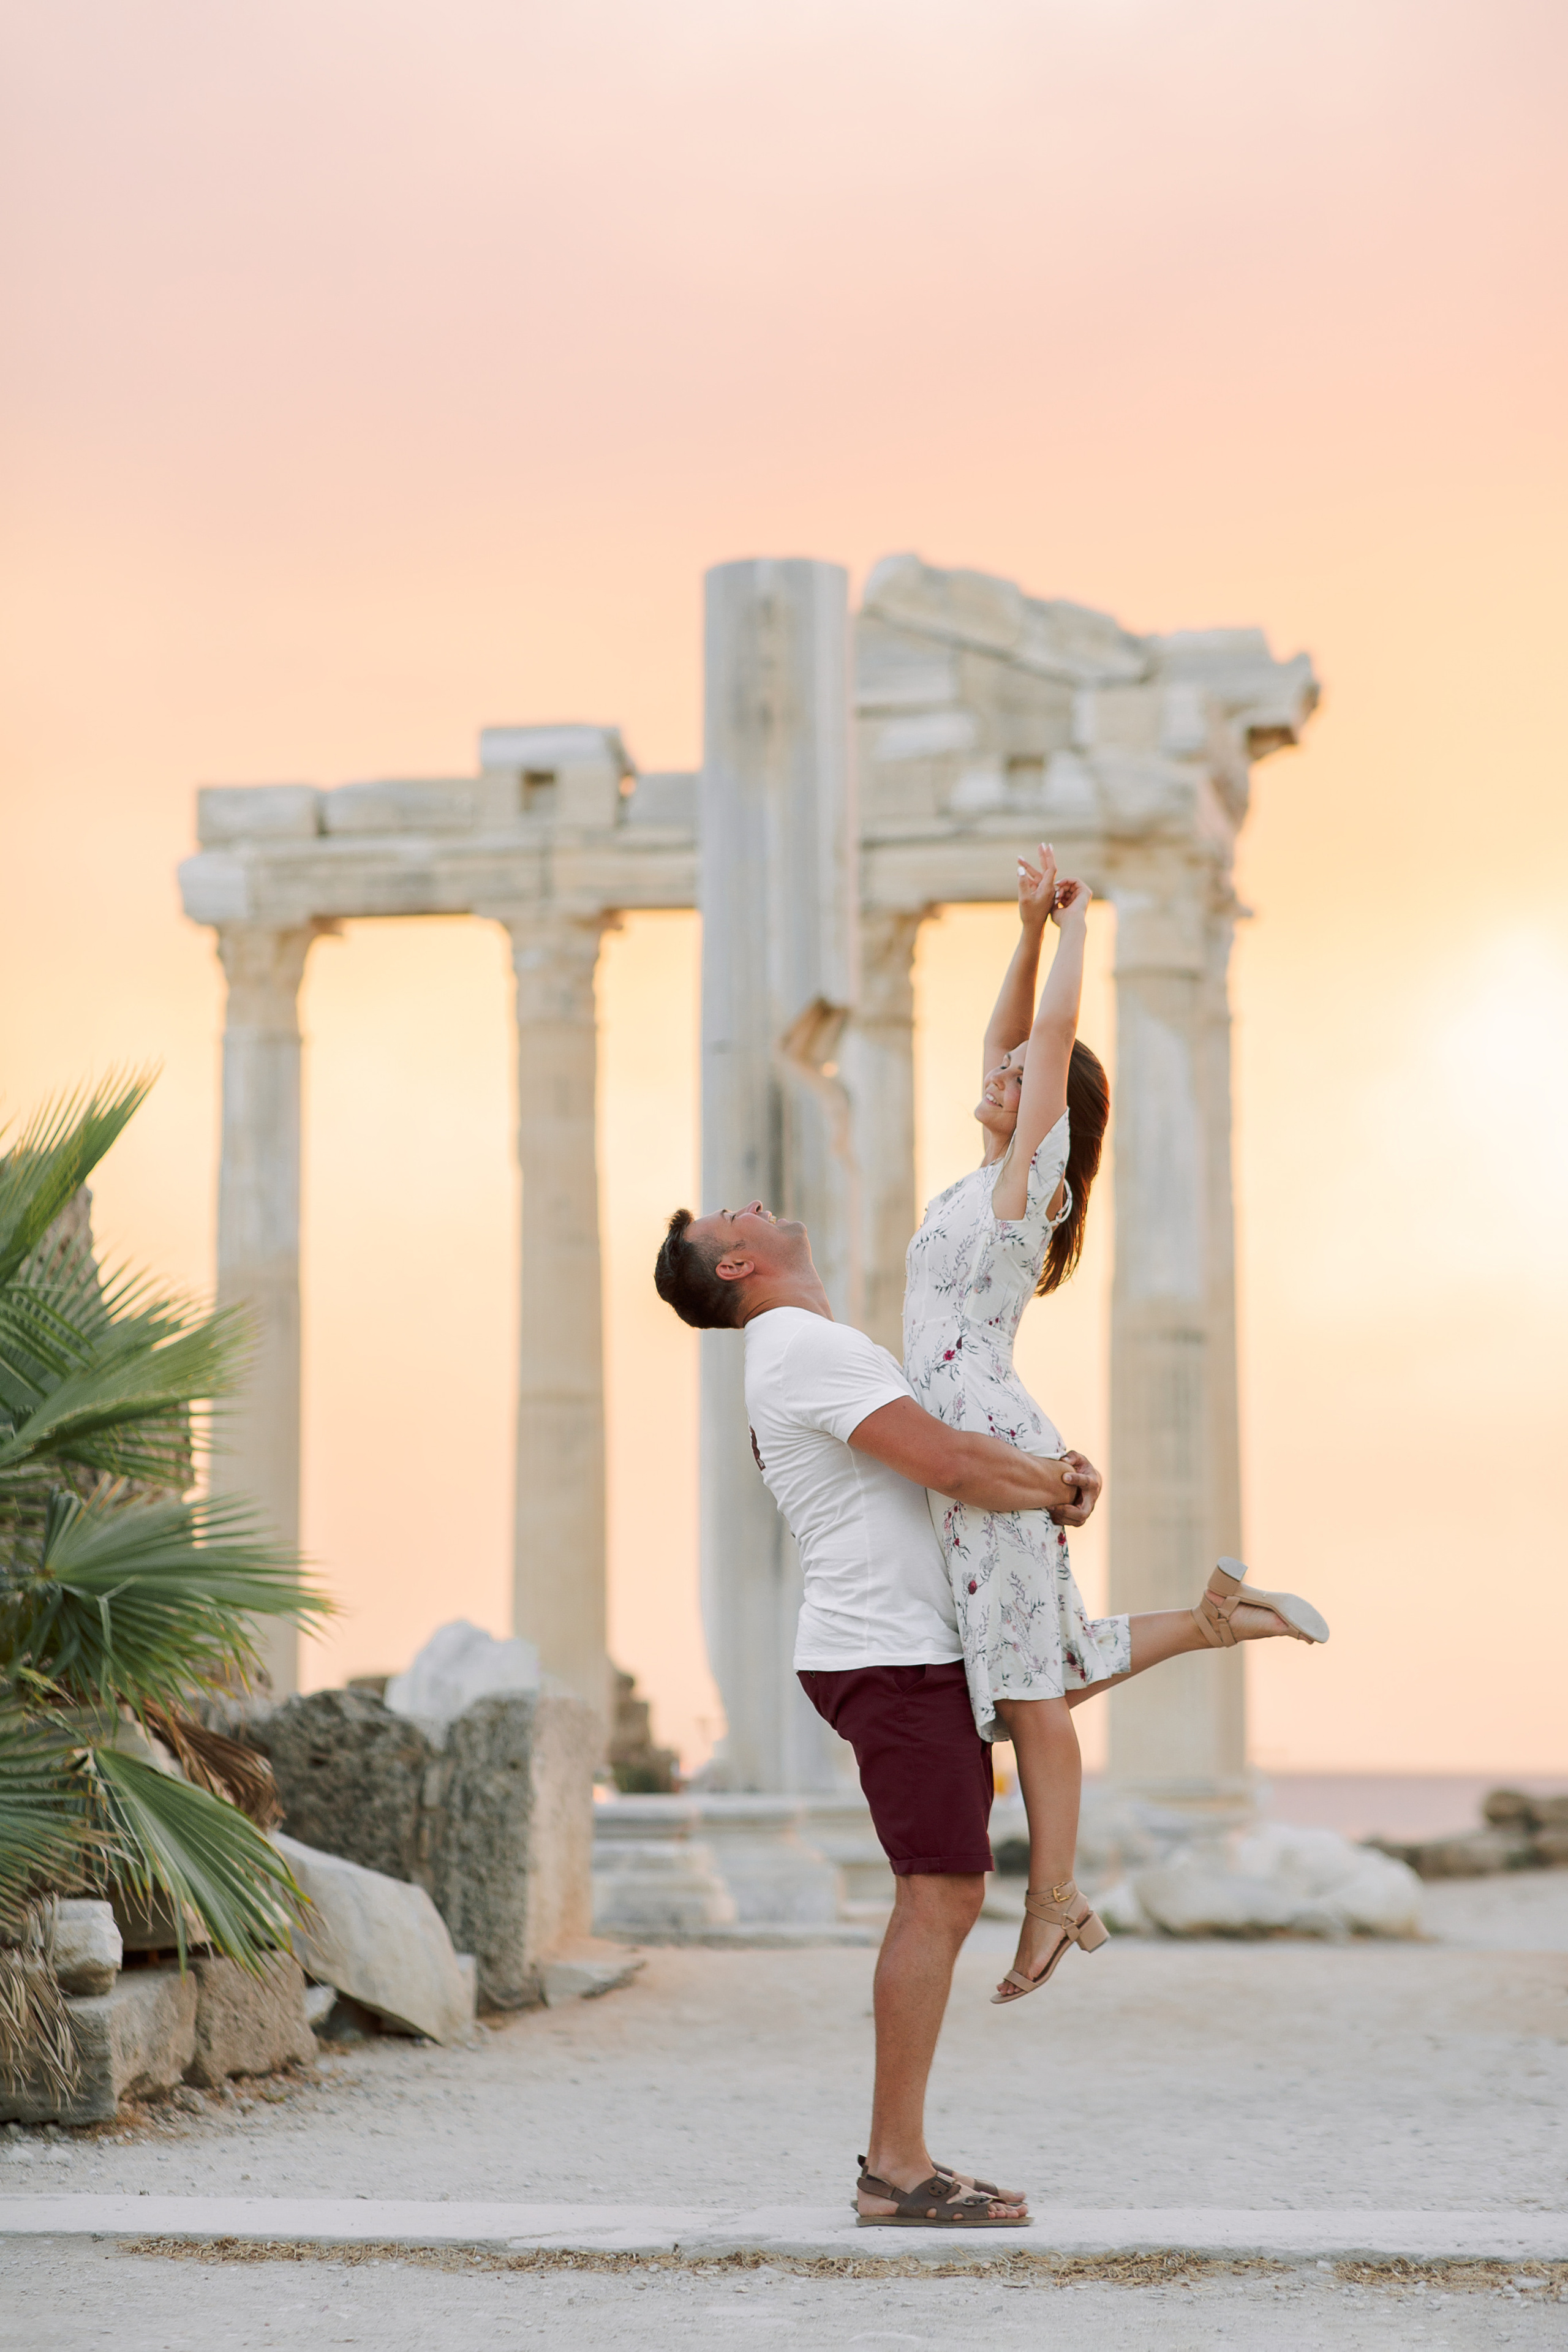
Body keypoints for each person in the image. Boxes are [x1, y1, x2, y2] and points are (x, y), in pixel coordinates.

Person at [903, 844, 1330, 2007]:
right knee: (1024, 1668)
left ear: (1054, 1116)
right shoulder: (976, 1180)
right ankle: (1213, 1619)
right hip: (972, 1428)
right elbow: (1007, 1043)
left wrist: (1080, 929)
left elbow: (1042, 1046)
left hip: (979, 1432)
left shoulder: (1024, 1189)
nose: (999, 1075)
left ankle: (1053, 1899)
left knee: (1029, 1690)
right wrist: (1025, 927)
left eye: (1027, 1076)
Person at [654, 1196, 1099, 2226]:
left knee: (942, 1888)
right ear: (735, 1268)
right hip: (888, 1654)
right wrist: (1056, 1485)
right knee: (937, 1893)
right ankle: (894, 2169)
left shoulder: (802, 1347)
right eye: (734, 1216)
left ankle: (901, 2157)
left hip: (894, 1648)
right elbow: (944, 1462)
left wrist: (1042, 1480)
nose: (753, 1205)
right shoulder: (800, 1346)